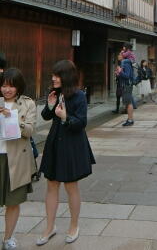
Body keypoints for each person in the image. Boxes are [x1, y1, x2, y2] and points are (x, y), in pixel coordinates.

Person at [37, 60, 95, 246]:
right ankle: (50, 227)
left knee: (71, 186)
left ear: (67, 77)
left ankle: (74, 226)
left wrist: (65, 117)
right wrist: (50, 104)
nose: (53, 78)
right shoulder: (56, 93)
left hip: (72, 144)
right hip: (55, 142)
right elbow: (46, 116)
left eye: (57, 75)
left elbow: (81, 123)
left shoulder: (79, 96)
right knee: (51, 185)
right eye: (53, 75)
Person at [0, 68, 36, 250]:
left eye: (11, 86)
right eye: (4, 85)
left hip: (16, 160)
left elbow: (29, 131)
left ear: (18, 87)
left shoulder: (27, 104)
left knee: (13, 202)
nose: (7, 90)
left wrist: (12, 118)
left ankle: (8, 238)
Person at [117, 52, 136, 126]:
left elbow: (127, 76)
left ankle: (130, 120)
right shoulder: (123, 63)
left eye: (120, 54)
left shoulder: (126, 64)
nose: (118, 55)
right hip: (125, 85)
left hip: (127, 85)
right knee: (128, 103)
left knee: (128, 103)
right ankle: (130, 119)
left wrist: (120, 71)